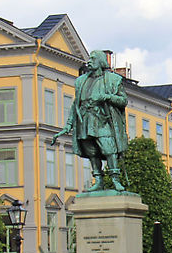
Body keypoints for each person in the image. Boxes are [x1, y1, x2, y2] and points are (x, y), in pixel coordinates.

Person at [50, 50, 128, 192]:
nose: (89, 61)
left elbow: (123, 101)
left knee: (108, 149)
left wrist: (107, 97)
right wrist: (69, 124)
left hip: (103, 120)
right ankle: (98, 180)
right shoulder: (81, 81)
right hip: (85, 120)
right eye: (89, 59)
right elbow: (76, 104)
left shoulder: (113, 79)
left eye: (93, 59)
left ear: (100, 61)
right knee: (91, 151)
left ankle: (115, 179)